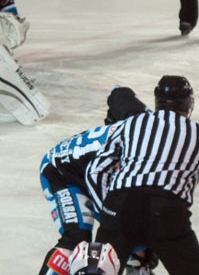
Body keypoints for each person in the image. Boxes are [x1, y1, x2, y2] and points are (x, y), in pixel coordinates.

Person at [90, 75, 199, 275]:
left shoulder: (133, 123)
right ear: (189, 103)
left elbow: (97, 169)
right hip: (168, 211)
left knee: (96, 270)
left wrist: (107, 210)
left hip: (122, 204)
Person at [38, 87, 157, 275]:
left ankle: (136, 263)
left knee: (139, 237)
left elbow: (120, 93)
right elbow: (97, 181)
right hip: (61, 172)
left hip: (92, 169)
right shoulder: (140, 146)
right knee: (76, 238)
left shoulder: (147, 121)